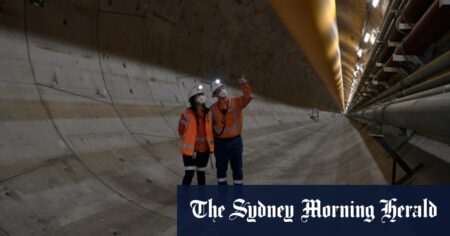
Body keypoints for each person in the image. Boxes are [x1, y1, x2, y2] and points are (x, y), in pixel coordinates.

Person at [210, 76, 253, 185]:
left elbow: (248, 97)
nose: (222, 90)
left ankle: (238, 197)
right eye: (218, 90)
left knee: (237, 169)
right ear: (215, 94)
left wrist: (244, 85)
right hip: (220, 144)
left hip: (235, 142)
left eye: (222, 87)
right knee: (221, 171)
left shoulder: (236, 102)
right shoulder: (213, 108)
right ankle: (223, 196)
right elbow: (209, 127)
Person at [178, 84, 215, 185]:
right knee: (189, 174)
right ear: (193, 99)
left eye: (202, 94)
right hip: (191, 151)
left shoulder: (208, 113)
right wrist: (188, 140)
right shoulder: (187, 114)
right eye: (198, 95)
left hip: (204, 150)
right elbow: (181, 130)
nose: (201, 97)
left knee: (201, 174)